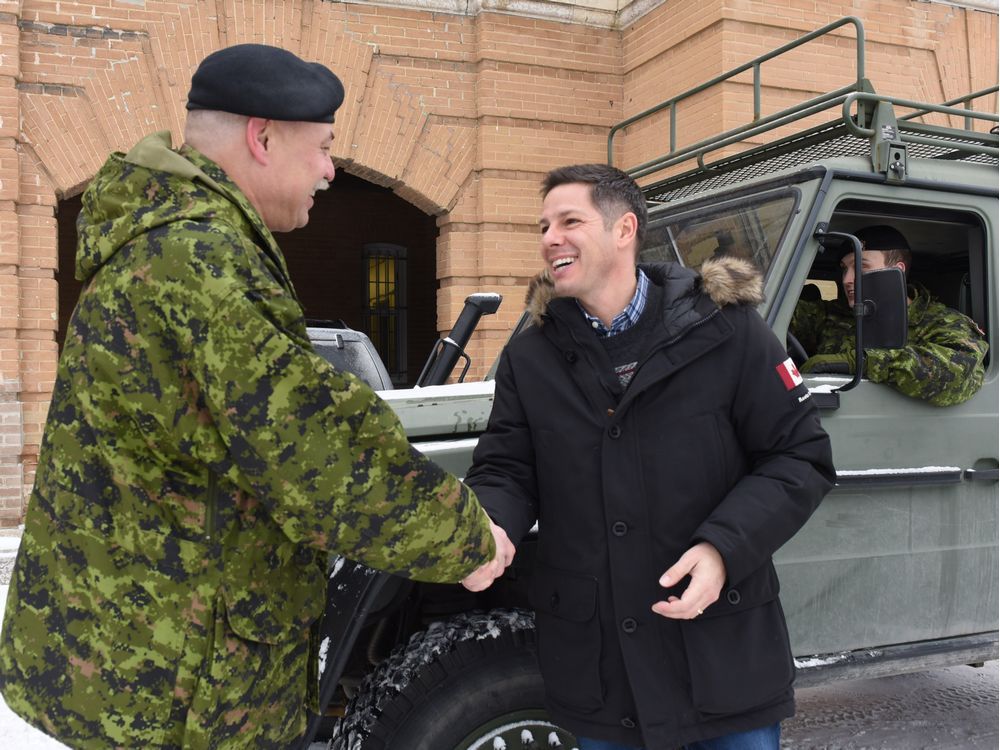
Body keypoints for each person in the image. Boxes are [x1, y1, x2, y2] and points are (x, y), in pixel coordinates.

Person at [0, 44, 512, 749]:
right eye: (324, 148)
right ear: (262, 137)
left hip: (135, 663)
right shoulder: (198, 262)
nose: (332, 171)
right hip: (170, 695)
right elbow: (316, 455)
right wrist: (468, 536)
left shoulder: (170, 241)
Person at [464, 163, 835, 750]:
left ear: (624, 229)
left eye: (569, 221)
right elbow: (507, 468)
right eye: (543, 226)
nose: (549, 238)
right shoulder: (530, 357)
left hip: (722, 661)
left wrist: (722, 549)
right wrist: (489, 524)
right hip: (604, 675)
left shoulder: (728, 331)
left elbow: (799, 457)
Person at [791, 225, 987, 406]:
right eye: (845, 269)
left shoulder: (943, 323)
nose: (847, 279)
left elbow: (958, 375)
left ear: (897, 271)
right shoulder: (831, 314)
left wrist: (859, 362)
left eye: (861, 267)